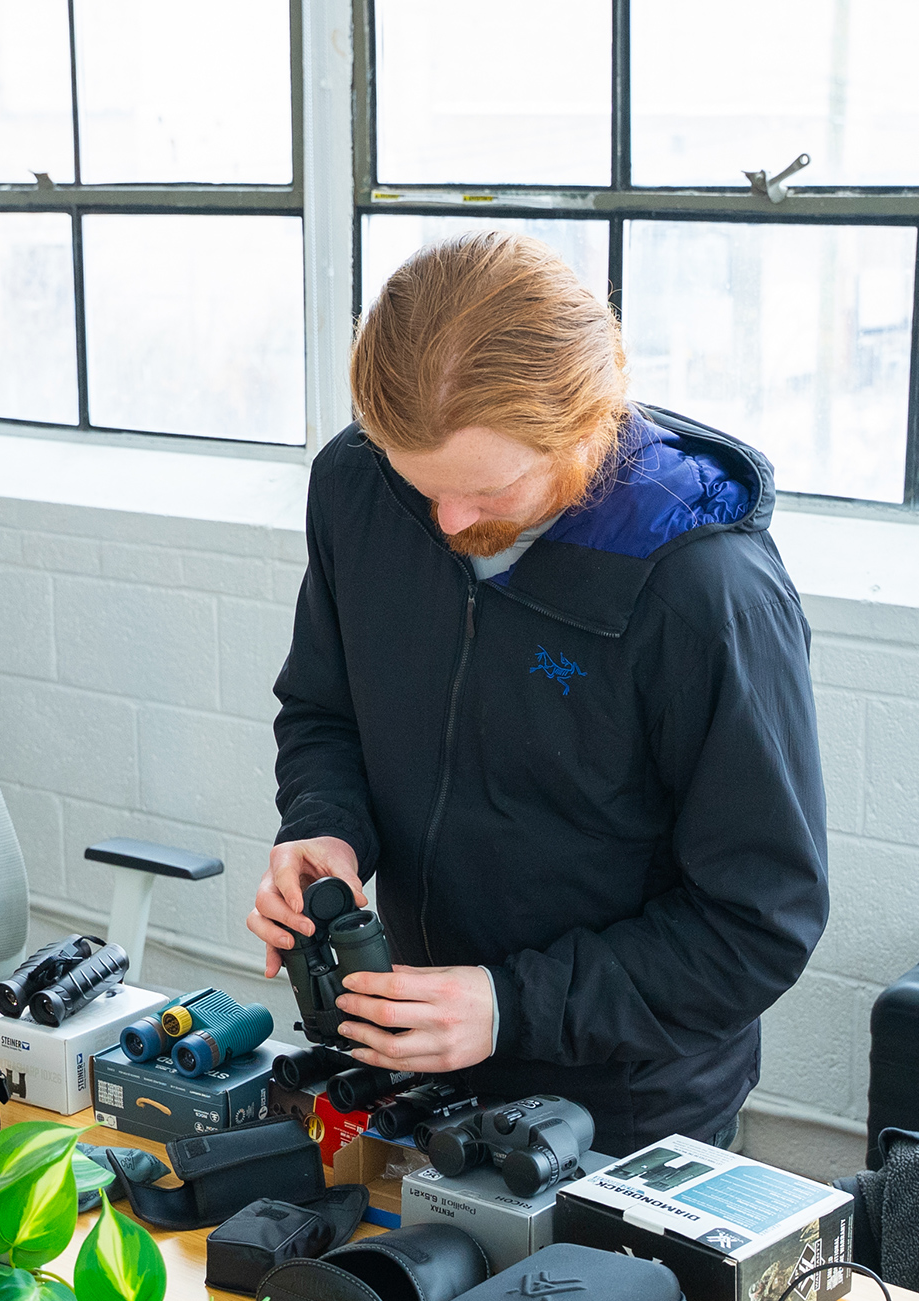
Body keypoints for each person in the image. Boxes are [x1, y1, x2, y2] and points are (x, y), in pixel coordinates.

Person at [247, 231, 829, 1153]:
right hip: (417, 1052)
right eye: (420, 484)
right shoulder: (357, 486)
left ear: (587, 422)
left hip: (627, 1104)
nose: (449, 523)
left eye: (489, 490)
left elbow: (756, 924)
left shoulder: (706, 593)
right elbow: (326, 710)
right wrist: (326, 826)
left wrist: (511, 1006)